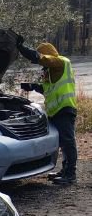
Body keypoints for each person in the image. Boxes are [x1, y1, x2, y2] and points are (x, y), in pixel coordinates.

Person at [17, 37, 78, 185]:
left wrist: (21, 48)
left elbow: (41, 58)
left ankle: (70, 174)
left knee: (68, 142)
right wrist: (32, 86)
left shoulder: (60, 62)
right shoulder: (51, 71)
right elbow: (47, 89)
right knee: (63, 142)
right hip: (56, 112)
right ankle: (64, 170)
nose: (39, 65)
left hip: (64, 109)